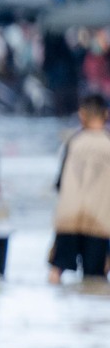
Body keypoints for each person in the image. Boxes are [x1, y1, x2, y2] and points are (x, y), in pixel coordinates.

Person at [49, 93, 110, 284]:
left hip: (69, 218)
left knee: (56, 270)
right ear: (106, 114)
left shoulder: (72, 142)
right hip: (99, 221)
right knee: (96, 278)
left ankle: (54, 309)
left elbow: (59, 184)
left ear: (81, 115)